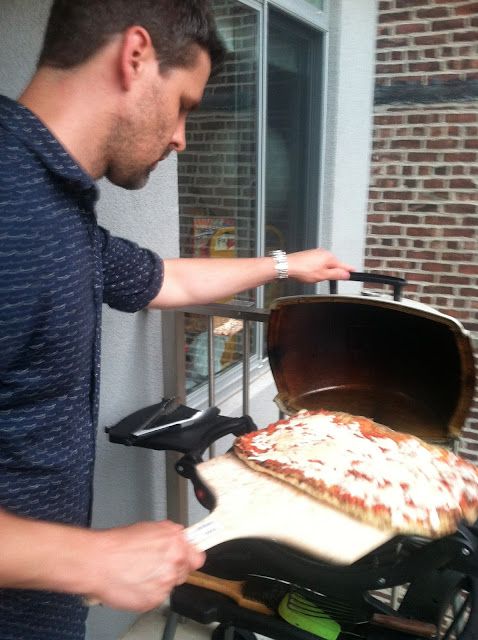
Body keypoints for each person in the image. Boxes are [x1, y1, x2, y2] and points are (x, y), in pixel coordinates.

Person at [0, 1, 355, 638]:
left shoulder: (53, 202)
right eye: (184, 104)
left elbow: (167, 280)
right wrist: (90, 559)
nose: (182, 137)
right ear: (135, 56)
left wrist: (286, 264)